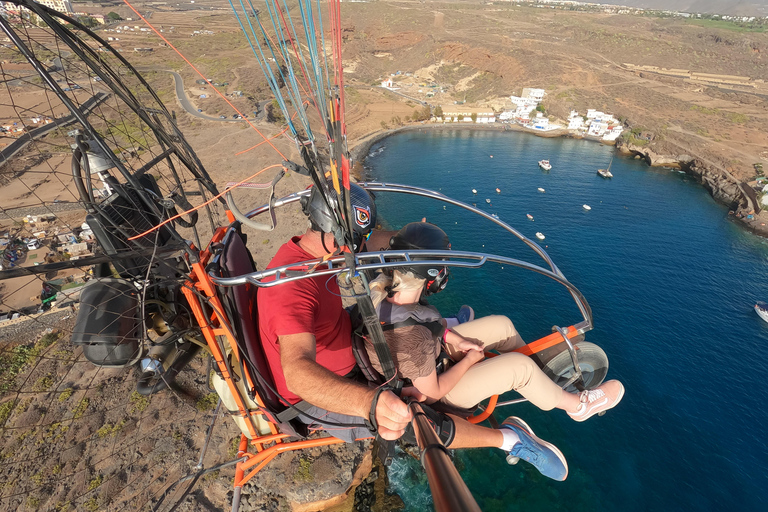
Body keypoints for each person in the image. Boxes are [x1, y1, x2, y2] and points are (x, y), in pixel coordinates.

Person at [257, 184, 570, 481]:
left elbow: (371, 242)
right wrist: (370, 402)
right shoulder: (291, 288)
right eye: (356, 241)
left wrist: (415, 241)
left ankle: (441, 325)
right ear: (336, 232)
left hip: (350, 342)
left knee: (402, 320)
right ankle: (510, 440)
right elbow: (297, 373)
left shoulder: (320, 251)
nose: (360, 247)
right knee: (415, 418)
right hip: (316, 397)